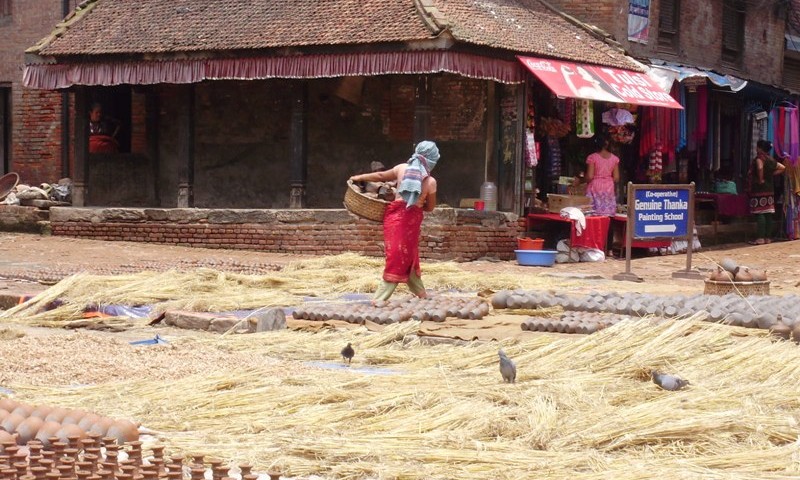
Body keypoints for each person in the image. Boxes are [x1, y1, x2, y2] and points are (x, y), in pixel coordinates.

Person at [349, 141, 440, 301]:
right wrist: (417, 204)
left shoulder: (402, 168)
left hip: (394, 219)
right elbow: (430, 207)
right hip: (410, 221)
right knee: (398, 256)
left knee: (408, 254)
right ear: (431, 160)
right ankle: (379, 298)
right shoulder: (430, 182)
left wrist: (359, 177)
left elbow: (380, 176)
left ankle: (421, 293)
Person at [747, 139, 786, 245]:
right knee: (768, 213)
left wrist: (761, 179)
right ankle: (768, 238)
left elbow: (759, 167)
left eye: (757, 147)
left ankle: (760, 238)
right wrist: (771, 174)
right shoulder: (770, 159)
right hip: (769, 190)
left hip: (760, 189)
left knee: (760, 213)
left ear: (759, 148)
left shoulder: (760, 159)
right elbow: (782, 168)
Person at [585, 134, 620, 216]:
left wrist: (583, 180)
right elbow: (616, 178)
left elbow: (590, 176)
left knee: (593, 214)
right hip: (609, 187)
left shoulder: (592, 157)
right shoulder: (615, 159)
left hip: (595, 186)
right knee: (607, 215)